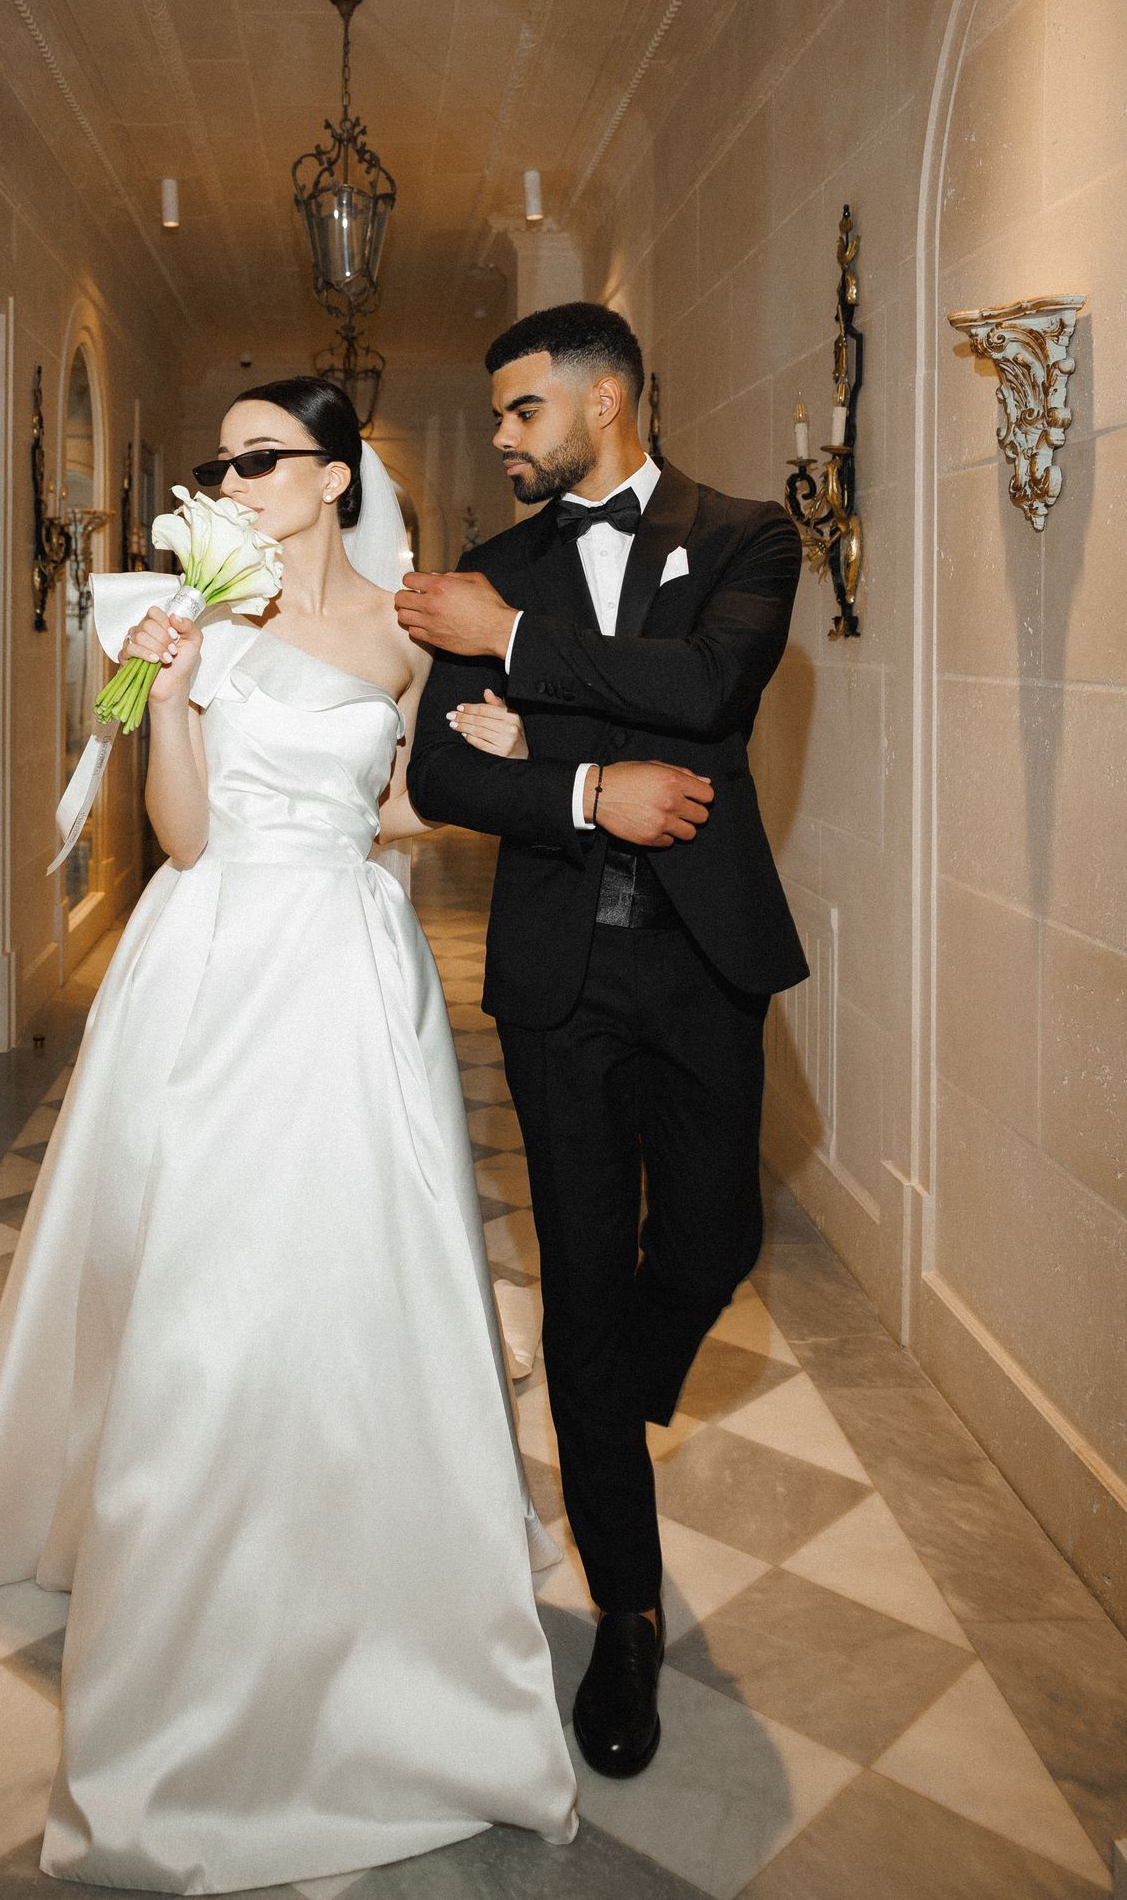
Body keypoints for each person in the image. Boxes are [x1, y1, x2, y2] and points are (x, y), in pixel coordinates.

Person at [0, 377, 577, 1894]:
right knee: (202, 1268)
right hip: (213, 959)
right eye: (222, 463)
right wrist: (161, 692)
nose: (231, 481)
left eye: (259, 457)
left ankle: (373, 1545)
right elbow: (187, 834)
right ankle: (186, 1557)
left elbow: (406, 804)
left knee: (352, 1258)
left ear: (336, 477)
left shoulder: (406, 633)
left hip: (348, 961)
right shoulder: (201, 619)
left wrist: (479, 759)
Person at [398, 302, 809, 1781]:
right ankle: (625, 1615)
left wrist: (521, 661)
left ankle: (612, 1374)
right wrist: (586, 793)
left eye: (522, 410)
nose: (502, 438)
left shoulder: (749, 537)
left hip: (704, 957)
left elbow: (708, 694)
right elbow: (444, 778)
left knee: (713, 1241)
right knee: (579, 1273)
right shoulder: (487, 567)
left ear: (608, 399)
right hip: (558, 975)